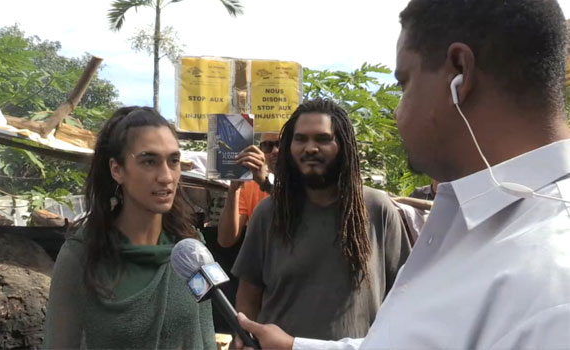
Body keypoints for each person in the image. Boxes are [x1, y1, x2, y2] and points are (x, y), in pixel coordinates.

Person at [236, 0, 570, 349]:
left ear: (460, 73)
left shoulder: (555, 282)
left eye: (403, 83)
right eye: (300, 140)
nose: (396, 112)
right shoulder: (473, 223)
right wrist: (292, 346)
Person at [232, 98, 411, 344]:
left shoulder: (377, 210)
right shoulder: (269, 213)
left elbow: (405, 295)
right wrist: (245, 338)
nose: (310, 148)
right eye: (301, 139)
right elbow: (249, 295)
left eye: (323, 139)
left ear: (344, 145)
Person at [44, 107, 216, 349]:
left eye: (173, 160)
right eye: (149, 161)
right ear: (117, 169)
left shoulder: (191, 249)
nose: (166, 176)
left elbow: (206, 336)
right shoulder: (80, 256)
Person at [217, 132, 279, 248]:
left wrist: (264, 183)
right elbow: (225, 240)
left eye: (281, 144)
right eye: (267, 146)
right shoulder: (250, 184)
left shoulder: (306, 180)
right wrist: (234, 189)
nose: (275, 151)